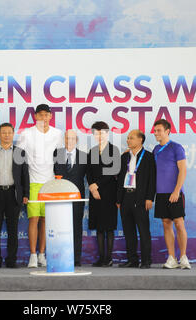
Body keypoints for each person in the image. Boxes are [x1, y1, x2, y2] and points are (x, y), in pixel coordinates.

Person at [17, 104, 64, 268]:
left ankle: (42, 254)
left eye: (46, 115)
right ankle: (32, 255)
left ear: (50, 116)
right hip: (33, 183)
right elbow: (19, 160)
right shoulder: (27, 133)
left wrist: (59, 181)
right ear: (35, 116)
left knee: (45, 220)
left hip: (50, 183)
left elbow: (61, 158)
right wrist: (22, 186)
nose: (43, 118)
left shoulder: (58, 134)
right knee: (33, 219)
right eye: (40, 115)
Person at [0, 123, 29, 269]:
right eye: (3, 132)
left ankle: (11, 260)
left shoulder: (19, 152)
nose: (6, 135)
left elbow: (25, 175)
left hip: (13, 194)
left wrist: (26, 194)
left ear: (13, 134)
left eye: (9, 132)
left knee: (13, 229)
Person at [152, 119, 190, 269]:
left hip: (175, 193)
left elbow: (183, 170)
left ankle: (184, 257)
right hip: (160, 194)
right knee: (166, 224)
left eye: (159, 130)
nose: (156, 133)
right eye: (155, 131)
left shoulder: (176, 148)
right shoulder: (155, 149)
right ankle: (172, 258)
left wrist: (176, 191)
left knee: (179, 224)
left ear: (167, 131)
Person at [116, 130, 156, 269]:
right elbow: (120, 178)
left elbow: (152, 179)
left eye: (131, 138)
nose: (128, 140)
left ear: (140, 140)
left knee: (143, 230)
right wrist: (119, 199)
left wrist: (150, 198)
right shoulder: (124, 157)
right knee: (128, 231)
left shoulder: (149, 157)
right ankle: (132, 259)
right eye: (127, 138)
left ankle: (146, 260)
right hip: (126, 196)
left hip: (141, 198)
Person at [87, 121, 121, 267]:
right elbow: (88, 172)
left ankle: (109, 258)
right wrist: (92, 188)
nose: (99, 136)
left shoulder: (114, 150)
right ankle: (101, 258)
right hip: (95, 195)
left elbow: (114, 171)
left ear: (107, 133)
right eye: (96, 133)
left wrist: (98, 185)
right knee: (99, 227)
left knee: (109, 227)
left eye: (102, 133)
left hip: (109, 193)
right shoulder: (92, 151)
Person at [54, 129, 88, 266]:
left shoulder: (84, 156)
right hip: (59, 197)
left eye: (73, 139)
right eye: (67, 138)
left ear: (77, 141)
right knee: (59, 228)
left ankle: (76, 258)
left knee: (76, 227)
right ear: (64, 139)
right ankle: (60, 256)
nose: (69, 141)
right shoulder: (56, 154)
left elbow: (91, 175)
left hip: (77, 198)